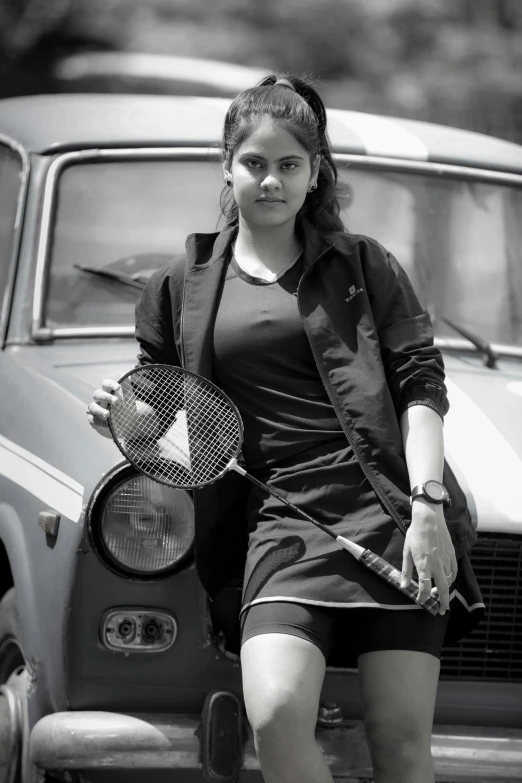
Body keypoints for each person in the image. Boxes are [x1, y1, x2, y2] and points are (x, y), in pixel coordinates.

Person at [87, 74, 484, 783]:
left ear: (314, 173)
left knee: (399, 741)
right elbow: (174, 420)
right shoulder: (180, 285)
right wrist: (127, 419)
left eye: (289, 165)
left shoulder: (365, 265)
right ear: (226, 165)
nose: (271, 181)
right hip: (278, 526)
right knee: (272, 714)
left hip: (393, 513)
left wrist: (428, 510)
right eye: (255, 163)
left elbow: (422, 387)